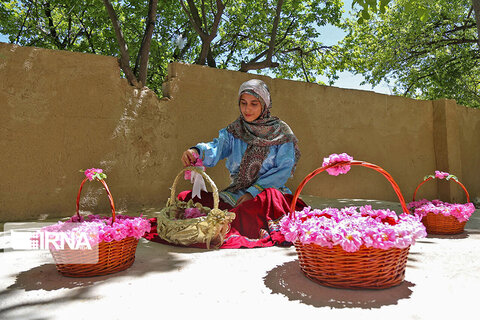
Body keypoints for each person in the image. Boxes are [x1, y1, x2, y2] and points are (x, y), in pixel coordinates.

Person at [178, 79, 306, 248]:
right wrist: (196, 151)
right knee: (188, 199)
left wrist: (252, 193)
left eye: (254, 104)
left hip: (267, 194)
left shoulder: (281, 132)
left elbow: (283, 169)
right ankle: (229, 220)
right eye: (243, 103)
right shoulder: (235, 130)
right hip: (237, 194)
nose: (247, 109)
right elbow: (217, 147)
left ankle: (230, 223)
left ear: (264, 104)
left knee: (263, 202)